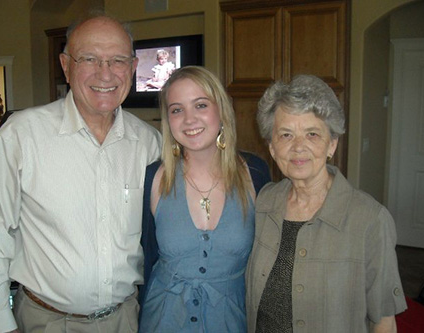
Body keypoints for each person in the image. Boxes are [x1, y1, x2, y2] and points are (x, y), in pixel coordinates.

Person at [0, 13, 161, 333]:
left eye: (117, 60)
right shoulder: (21, 135)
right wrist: (2, 323)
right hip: (46, 322)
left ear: (133, 67)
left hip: (127, 319)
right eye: (89, 58)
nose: (105, 73)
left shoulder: (149, 144)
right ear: (65, 65)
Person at [246, 74, 407, 332]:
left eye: (312, 134)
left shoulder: (369, 219)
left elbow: (384, 320)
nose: (298, 147)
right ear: (272, 148)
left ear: (332, 144)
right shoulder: (264, 201)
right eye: (286, 135)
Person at [139, 66, 271, 332]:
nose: (189, 120)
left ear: (221, 110)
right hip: (163, 319)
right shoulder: (153, 178)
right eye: (177, 109)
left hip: (231, 320)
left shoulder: (255, 173)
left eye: (200, 105)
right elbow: (145, 258)